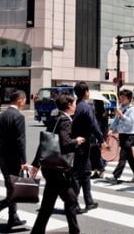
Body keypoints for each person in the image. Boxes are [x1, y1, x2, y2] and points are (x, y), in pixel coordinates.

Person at [30, 94, 85, 234]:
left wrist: (36, 163)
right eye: (74, 104)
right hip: (60, 169)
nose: (75, 106)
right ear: (68, 105)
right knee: (70, 200)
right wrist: (77, 141)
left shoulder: (54, 118)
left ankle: (37, 231)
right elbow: (65, 144)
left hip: (50, 166)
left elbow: (44, 142)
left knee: (50, 203)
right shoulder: (66, 121)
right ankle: (74, 231)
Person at [0, 90, 28, 231]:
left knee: (11, 187)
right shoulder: (19, 117)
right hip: (14, 157)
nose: (25, 103)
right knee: (14, 189)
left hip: (2, 155)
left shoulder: (1, 116)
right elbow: (21, 141)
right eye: (25, 100)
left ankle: (13, 217)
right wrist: (23, 161)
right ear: (20, 100)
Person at [71, 81, 103, 214]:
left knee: (85, 172)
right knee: (79, 174)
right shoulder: (87, 107)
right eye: (88, 91)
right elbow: (93, 124)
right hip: (84, 143)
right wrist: (102, 139)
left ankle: (89, 201)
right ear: (85, 92)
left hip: (76, 143)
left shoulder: (76, 105)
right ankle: (73, 204)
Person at [106, 89, 134, 184]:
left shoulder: (132, 109)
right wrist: (111, 129)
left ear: (129, 99)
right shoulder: (121, 108)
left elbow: (131, 122)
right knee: (129, 156)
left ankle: (115, 175)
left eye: (124, 97)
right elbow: (116, 120)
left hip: (130, 135)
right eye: (121, 97)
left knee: (123, 155)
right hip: (123, 135)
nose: (121, 99)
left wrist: (121, 115)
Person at [90, 99, 108, 179]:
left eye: (94, 103)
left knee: (96, 153)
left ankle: (101, 168)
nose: (93, 104)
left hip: (98, 136)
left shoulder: (102, 114)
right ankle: (97, 170)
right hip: (96, 135)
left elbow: (102, 127)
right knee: (94, 152)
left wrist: (102, 138)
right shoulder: (97, 113)